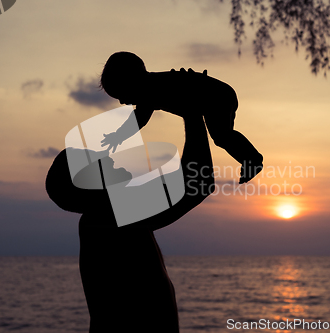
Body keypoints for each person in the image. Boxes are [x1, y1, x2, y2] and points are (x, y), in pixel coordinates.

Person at [45, 113, 215, 332]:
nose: (109, 158)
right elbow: (198, 185)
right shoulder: (109, 218)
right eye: (98, 161)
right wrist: (192, 113)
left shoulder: (104, 219)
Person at [99, 51, 264, 184]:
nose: (122, 102)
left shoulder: (149, 90)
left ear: (131, 81)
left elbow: (138, 119)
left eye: (121, 94)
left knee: (222, 136)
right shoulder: (152, 85)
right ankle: (250, 159)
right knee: (223, 136)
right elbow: (139, 117)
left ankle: (252, 159)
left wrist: (118, 136)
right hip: (221, 92)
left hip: (216, 95)